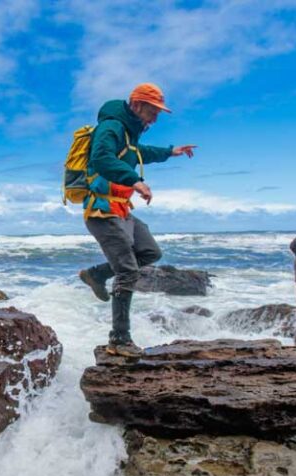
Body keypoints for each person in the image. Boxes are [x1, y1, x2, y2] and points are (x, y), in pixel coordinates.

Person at [78, 83, 196, 357]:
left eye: (158, 113)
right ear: (136, 104)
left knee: (150, 252)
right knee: (128, 271)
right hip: (101, 212)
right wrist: (135, 180)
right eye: (152, 111)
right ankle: (119, 340)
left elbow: (140, 153)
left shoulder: (129, 135)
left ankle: (95, 274)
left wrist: (171, 150)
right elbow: (102, 158)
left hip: (121, 210)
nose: (155, 118)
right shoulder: (111, 128)